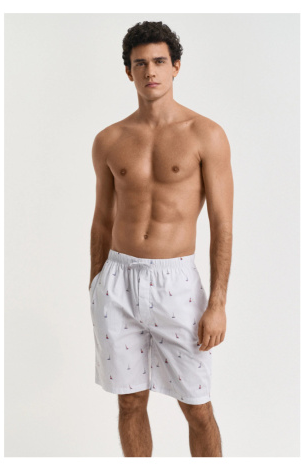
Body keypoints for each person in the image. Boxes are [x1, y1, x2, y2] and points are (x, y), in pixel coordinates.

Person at [88, 21, 233, 457]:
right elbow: (102, 219)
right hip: (117, 282)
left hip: (177, 284)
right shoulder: (109, 140)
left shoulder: (205, 134)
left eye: (158, 61)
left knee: (198, 408)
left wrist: (218, 303)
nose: (150, 71)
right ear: (128, 71)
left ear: (176, 67)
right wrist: (95, 283)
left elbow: (222, 224)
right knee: (130, 402)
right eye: (140, 64)